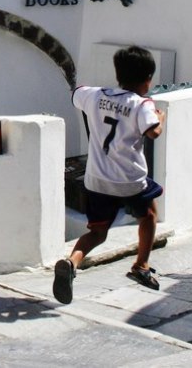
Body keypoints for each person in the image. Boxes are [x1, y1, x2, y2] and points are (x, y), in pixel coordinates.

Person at [52, 45, 165, 304]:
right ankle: (141, 265)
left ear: (118, 74)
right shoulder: (142, 104)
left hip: (96, 180)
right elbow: (153, 132)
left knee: (98, 232)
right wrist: (161, 118)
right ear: (147, 79)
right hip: (130, 181)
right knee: (149, 215)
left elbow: (77, 94)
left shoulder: (95, 95)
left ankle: (72, 262)